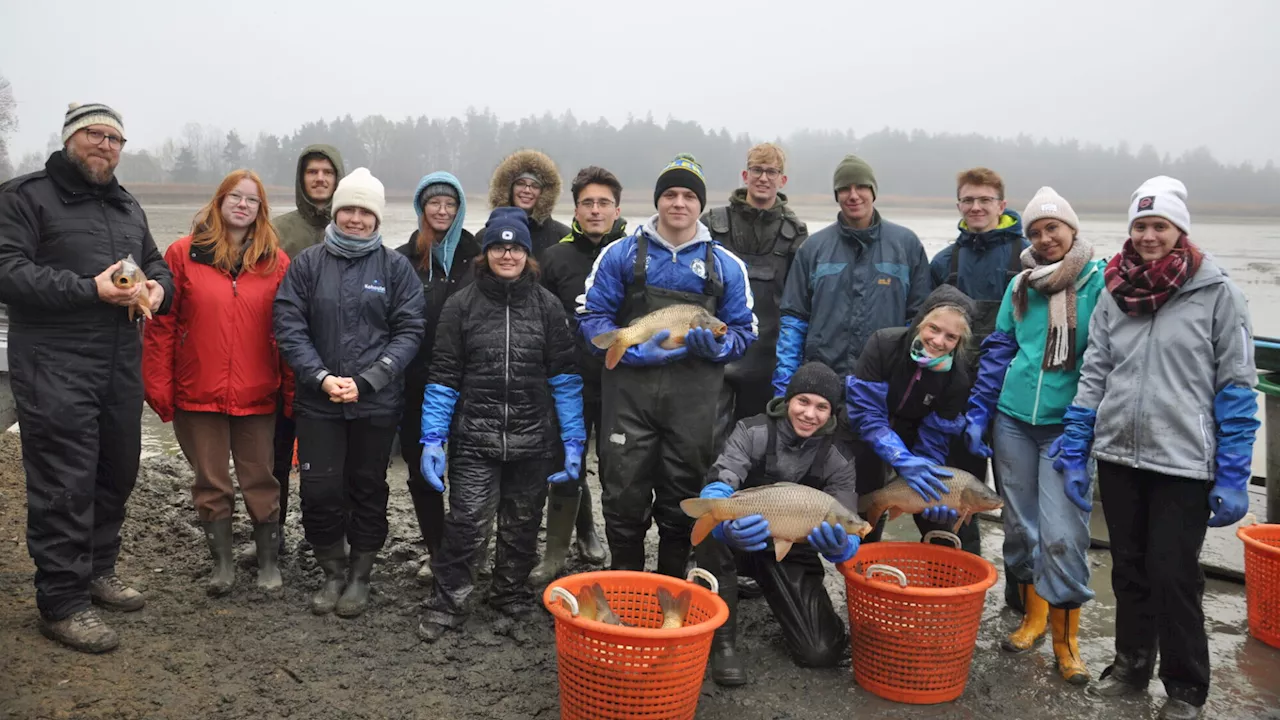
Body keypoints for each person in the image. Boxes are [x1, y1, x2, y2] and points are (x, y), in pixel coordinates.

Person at [1061, 177, 1258, 720]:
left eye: (1160, 226)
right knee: (1128, 569)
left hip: (1184, 462)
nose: (1149, 236)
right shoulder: (1112, 291)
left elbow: (1237, 384)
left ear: (1180, 230)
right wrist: (1078, 445)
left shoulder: (1217, 292)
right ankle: (1130, 666)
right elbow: (1094, 371)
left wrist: (1235, 473)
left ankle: (1185, 689)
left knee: (1174, 574)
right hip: (1120, 455)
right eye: (1140, 226)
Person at [0, 102, 172, 653]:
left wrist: (157, 290)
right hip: (53, 362)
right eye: (95, 135)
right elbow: (8, 272)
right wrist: (88, 289)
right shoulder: (25, 196)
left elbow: (156, 263)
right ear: (71, 139)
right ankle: (62, 602)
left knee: (116, 471)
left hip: (120, 362)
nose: (106, 146)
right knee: (63, 483)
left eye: (116, 139)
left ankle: (98, 570)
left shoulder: (126, 204)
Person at [578, 153, 757, 577]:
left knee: (683, 498)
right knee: (623, 496)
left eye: (689, 196)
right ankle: (625, 583)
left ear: (701, 205)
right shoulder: (620, 255)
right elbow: (591, 320)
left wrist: (716, 348)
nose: (679, 203)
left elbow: (743, 333)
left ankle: (672, 583)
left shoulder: (727, 266)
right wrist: (636, 352)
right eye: (671, 194)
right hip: (629, 401)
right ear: (658, 201)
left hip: (694, 408)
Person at [416, 207, 585, 642]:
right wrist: (432, 438)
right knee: (467, 522)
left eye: (514, 247)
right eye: (497, 246)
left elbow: (565, 378)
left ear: (527, 255)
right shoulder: (461, 305)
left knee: (523, 523)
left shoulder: (547, 307)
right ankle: (448, 601)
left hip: (533, 439)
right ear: (485, 252)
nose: (506, 255)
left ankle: (508, 596)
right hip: (475, 437)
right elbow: (443, 376)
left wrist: (573, 439)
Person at [962, 187, 1105, 686]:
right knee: (1021, 528)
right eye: (1037, 232)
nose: (1045, 239)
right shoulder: (1020, 285)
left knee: (1064, 533)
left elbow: (1103, 360)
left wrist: (1084, 426)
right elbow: (1000, 349)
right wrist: (980, 411)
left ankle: (1068, 644)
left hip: (1068, 427)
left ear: (1072, 229)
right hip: (1014, 420)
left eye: (1054, 229)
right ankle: (1033, 619)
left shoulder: (1099, 282)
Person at [273, 168, 425, 618]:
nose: (356, 219)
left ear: (377, 218)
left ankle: (360, 575)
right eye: (348, 210)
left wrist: (370, 379)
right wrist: (320, 376)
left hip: (375, 403)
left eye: (365, 211)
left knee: (367, 487)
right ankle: (332, 570)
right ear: (336, 213)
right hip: (318, 400)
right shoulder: (308, 264)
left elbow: (410, 329)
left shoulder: (395, 268)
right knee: (319, 489)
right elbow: (288, 324)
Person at [143, 170, 292, 597]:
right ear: (219, 201)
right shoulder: (182, 254)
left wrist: (290, 387)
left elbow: (287, 329)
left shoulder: (275, 261)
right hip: (198, 390)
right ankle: (222, 564)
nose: (243, 205)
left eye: (253, 200)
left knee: (261, 479)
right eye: (235, 197)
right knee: (210, 481)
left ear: (261, 210)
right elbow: (162, 325)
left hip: (257, 392)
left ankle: (268, 561)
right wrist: (158, 384)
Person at [695, 362, 859, 686]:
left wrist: (841, 546)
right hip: (743, 535)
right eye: (803, 401)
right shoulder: (752, 430)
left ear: (832, 412)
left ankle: (762, 583)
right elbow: (720, 480)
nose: (810, 414)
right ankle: (722, 643)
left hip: (790, 549)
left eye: (821, 407)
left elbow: (850, 523)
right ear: (788, 400)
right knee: (713, 524)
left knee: (820, 653)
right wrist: (724, 528)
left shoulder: (839, 456)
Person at [928, 168, 1030, 606]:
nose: (976, 207)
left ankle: (1021, 595)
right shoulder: (944, 262)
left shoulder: (1028, 258)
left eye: (985, 200)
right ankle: (956, 583)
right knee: (958, 497)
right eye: (968, 200)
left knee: (1017, 501)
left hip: (1014, 402)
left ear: (1001, 205)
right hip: (956, 400)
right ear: (958, 206)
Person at [529, 166, 627, 582]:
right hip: (568, 381)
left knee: (617, 468)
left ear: (617, 208)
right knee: (564, 463)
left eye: (603, 202)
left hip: (622, 383)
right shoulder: (555, 257)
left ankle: (610, 546)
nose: (595, 210)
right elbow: (541, 322)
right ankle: (556, 553)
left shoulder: (634, 254)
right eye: (587, 202)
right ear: (575, 209)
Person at [774, 153, 931, 391]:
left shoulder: (906, 245)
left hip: (884, 383)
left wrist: (912, 386)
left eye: (861, 187)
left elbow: (920, 321)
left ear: (873, 192)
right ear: (837, 195)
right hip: (822, 384)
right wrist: (784, 389)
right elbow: (794, 323)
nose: (854, 195)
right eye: (845, 188)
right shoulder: (813, 248)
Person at [845, 285, 979, 553]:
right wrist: (899, 457)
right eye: (934, 329)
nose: (939, 341)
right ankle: (861, 558)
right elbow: (866, 413)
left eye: (951, 337)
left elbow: (936, 437)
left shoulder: (958, 377)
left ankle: (943, 578)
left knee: (937, 501)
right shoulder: (883, 343)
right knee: (863, 504)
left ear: (959, 342)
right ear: (920, 323)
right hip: (865, 430)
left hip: (916, 432)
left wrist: (926, 473)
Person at [395, 171, 479, 585]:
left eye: (451, 203)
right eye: (434, 203)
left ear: (460, 207)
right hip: (415, 381)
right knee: (422, 471)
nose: (443, 210)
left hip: (469, 382)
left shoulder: (477, 254)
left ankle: (464, 549)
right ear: (421, 208)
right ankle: (435, 547)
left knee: (468, 470)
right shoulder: (403, 257)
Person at [702, 143, 808, 443]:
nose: (763, 178)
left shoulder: (796, 233)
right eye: (757, 170)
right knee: (705, 445)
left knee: (758, 446)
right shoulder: (711, 224)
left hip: (768, 361)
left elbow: (800, 303)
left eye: (771, 171)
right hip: (715, 354)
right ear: (745, 175)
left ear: (782, 180)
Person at [270, 144, 345, 553]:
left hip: (339, 364)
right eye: (311, 172)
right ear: (301, 179)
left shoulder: (355, 223)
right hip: (284, 362)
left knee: (332, 462)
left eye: (327, 173)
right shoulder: (279, 230)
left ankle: (330, 536)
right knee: (276, 454)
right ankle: (273, 531)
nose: (319, 179)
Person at [476, 149, 570, 257]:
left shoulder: (562, 237)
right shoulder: (484, 236)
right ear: (508, 188)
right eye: (520, 183)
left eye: (535, 186)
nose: (527, 190)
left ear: (544, 193)